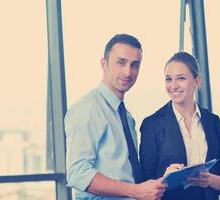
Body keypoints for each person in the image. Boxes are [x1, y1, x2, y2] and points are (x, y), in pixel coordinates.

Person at [65, 34, 167, 200]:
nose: (128, 72)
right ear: (104, 64)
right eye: (121, 62)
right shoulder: (88, 108)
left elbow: (128, 173)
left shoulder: (126, 117)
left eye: (135, 65)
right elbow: (77, 173)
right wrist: (136, 191)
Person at [139, 52, 220, 200]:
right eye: (168, 79)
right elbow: (143, 184)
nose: (173, 86)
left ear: (197, 81)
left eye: (181, 78)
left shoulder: (212, 121)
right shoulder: (152, 124)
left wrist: (210, 179)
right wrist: (165, 178)